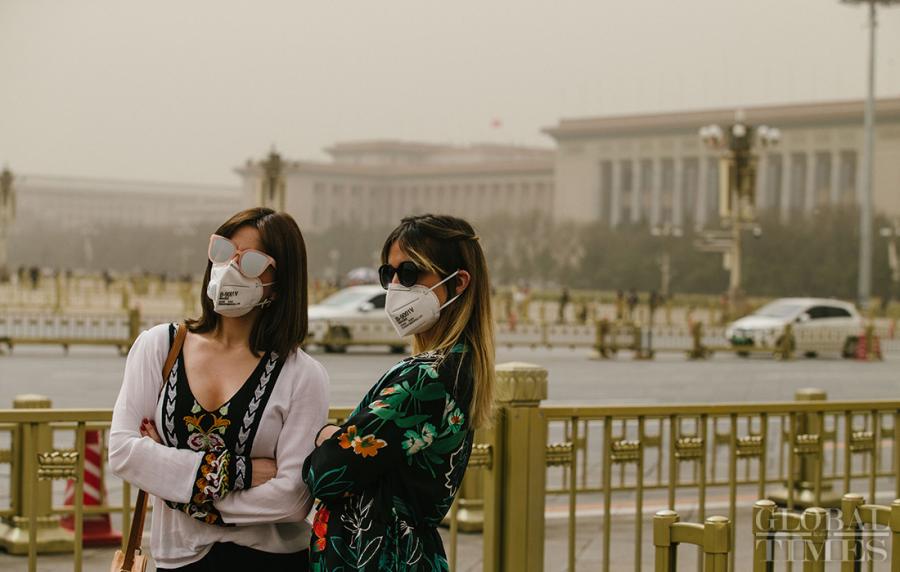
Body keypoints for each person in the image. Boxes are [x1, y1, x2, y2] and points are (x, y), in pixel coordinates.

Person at [109, 208, 328, 571]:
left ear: (282, 281)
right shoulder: (160, 347)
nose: (230, 269)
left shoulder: (302, 374)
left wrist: (176, 485)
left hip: (271, 560)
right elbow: (122, 451)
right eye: (223, 252)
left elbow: (291, 499)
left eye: (252, 262)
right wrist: (239, 473)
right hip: (178, 559)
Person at [302, 214, 495, 571]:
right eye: (387, 274)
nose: (394, 286)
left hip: (378, 556)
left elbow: (326, 472)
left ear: (458, 283)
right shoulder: (460, 367)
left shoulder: (425, 378)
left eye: (410, 273)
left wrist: (326, 435)